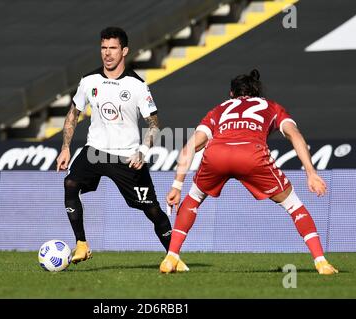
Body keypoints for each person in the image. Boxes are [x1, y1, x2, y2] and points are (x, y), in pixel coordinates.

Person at [160, 69, 338, 275]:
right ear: (258, 93)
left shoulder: (220, 109)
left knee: (193, 197)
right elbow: (294, 135)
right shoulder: (271, 106)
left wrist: (176, 185)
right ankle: (321, 262)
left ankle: (171, 256)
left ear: (231, 94)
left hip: (217, 154)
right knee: (294, 205)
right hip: (251, 155)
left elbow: (190, 146)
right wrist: (311, 172)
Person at [56, 26, 188, 271]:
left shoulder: (137, 85)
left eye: (113, 48)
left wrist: (143, 151)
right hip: (94, 151)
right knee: (70, 183)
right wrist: (65, 147)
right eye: (104, 48)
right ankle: (82, 244)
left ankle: (174, 256)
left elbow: (154, 124)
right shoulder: (89, 81)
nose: (107, 53)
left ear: (124, 51)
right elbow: (73, 114)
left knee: (152, 209)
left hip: (126, 156)